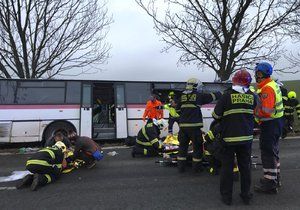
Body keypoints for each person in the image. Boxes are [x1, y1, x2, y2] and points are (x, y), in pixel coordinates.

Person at [211, 69, 256, 205]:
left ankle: (227, 198)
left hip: (229, 139)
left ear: (234, 80)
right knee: (245, 168)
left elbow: (216, 116)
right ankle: (246, 196)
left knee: (227, 168)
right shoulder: (252, 96)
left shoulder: (226, 96)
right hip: (246, 139)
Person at [176, 78, 222, 173]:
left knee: (182, 147)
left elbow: (177, 110)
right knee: (197, 147)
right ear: (196, 86)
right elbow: (211, 97)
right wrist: (221, 93)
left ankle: (181, 168)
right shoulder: (198, 96)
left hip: (183, 128)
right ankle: (196, 168)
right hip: (194, 127)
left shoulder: (182, 96)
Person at [253, 62, 284, 194]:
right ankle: (275, 179)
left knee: (267, 153)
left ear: (260, 74)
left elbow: (267, 110)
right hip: (276, 123)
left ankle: (270, 184)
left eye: (256, 73)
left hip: (270, 124)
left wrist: (254, 112)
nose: (255, 75)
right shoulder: (271, 85)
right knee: (273, 152)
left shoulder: (267, 89)